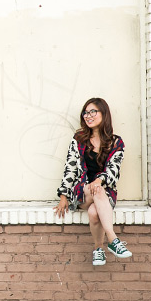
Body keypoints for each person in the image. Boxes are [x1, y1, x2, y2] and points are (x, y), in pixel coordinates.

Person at [54, 97, 133, 266]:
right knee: (96, 191)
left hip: (104, 194)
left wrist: (99, 181)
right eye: (85, 112)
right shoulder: (79, 139)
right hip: (81, 192)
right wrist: (63, 196)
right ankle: (112, 239)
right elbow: (70, 168)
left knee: (93, 213)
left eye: (92, 112)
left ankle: (98, 249)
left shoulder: (116, 143)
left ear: (104, 114)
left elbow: (113, 171)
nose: (88, 116)